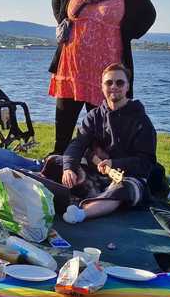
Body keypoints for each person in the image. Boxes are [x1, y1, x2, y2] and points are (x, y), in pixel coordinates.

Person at [48, 0, 156, 155]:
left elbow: (149, 14)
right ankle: (59, 162)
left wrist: (126, 32)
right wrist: (63, 20)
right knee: (64, 122)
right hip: (72, 66)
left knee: (102, 125)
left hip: (106, 68)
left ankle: (100, 166)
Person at [42, 63, 158, 222]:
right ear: (102, 87)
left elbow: (146, 162)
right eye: (109, 82)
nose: (114, 87)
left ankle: (81, 214)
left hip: (127, 176)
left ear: (127, 87)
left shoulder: (141, 120)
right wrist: (69, 168)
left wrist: (115, 163)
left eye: (120, 82)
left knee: (123, 188)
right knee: (55, 161)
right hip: (96, 174)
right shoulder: (94, 116)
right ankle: (54, 193)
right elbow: (78, 144)